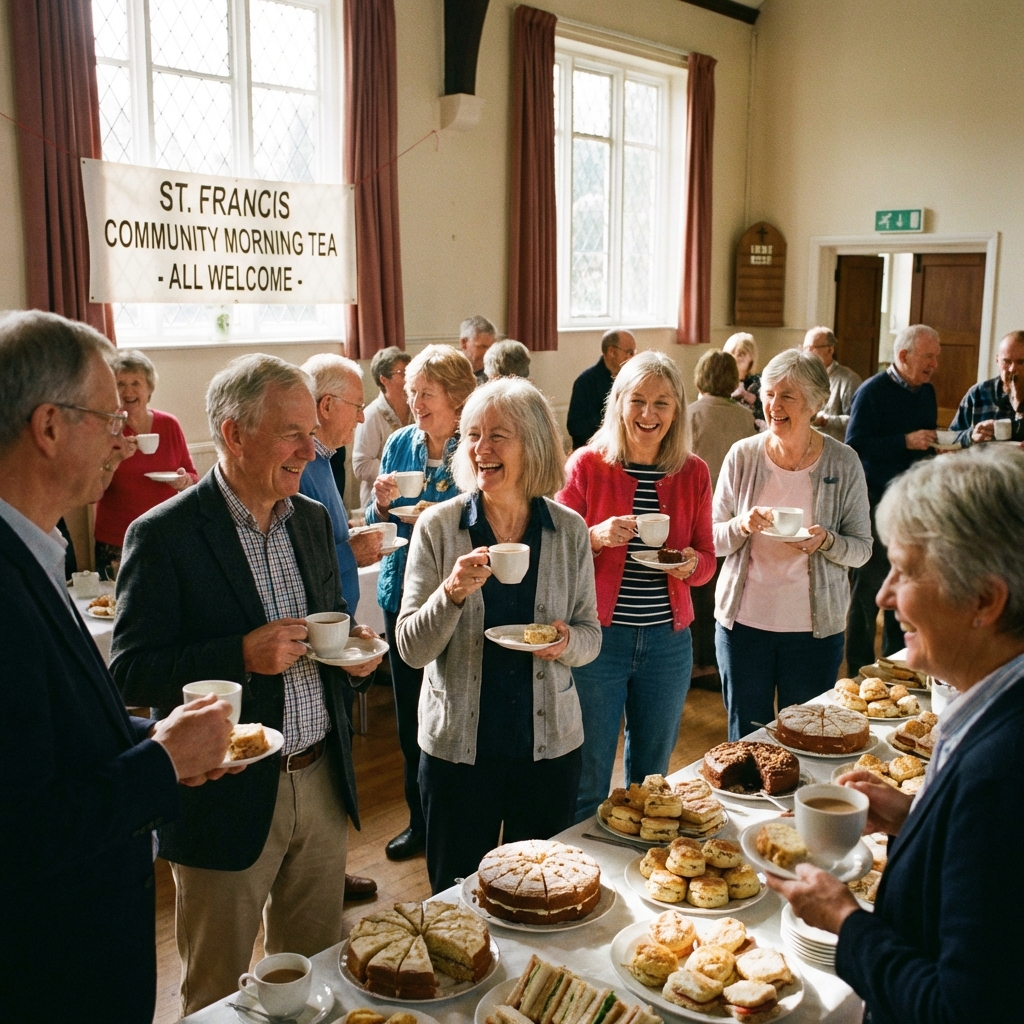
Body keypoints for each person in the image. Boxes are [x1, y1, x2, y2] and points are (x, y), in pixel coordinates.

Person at [110, 354, 383, 1015]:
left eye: (311, 433)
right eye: (292, 433)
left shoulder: (311, 519)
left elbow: (329, 623)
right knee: (215, 991)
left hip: (320, 780)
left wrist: (353, 654)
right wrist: (239, 655)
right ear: (233, 435)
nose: (310, 450)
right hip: (224, 796)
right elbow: (130, 672)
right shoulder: (164, 535)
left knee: (313, 973)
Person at [0, 310, 234, 1023]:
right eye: (108, 419)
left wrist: (154, 733)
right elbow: (21, 829)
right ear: (48, 426)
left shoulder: (36, 550)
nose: (125, 439)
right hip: (49, 972)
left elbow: (53, 732)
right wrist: (162, 762)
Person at [767, 445, 1024, 1024]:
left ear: (985, 600)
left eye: (905, 572)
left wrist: (844, 921)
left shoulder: (1003, 771)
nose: (883, 595)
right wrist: (916, 818)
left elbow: (959, 1010)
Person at [396, 379, 601, 892]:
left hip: (548, 754)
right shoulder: (438, 528)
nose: (480, 448)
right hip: (458, 756)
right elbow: (411, 649)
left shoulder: (569, 530)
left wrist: (565, 644)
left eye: (497, 436)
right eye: (472, 435)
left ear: (532, 444)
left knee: (540, 895)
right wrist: (450, 593)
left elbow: (590, 636)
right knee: (456, 899)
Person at [557, 351, 716, 822]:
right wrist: (594, 536)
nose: (649, 414)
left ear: (677, 409)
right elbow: (556, 548)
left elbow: (707, 560)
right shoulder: (587, 465)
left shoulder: (693, 472)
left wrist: (691, 565)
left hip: (668, 643)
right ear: (619, 404)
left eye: (662, 403)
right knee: (587, 778)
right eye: (638, 401)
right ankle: (583, 863)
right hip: (599, 641)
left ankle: (640, 862)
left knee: (652, 781)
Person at [713, 349, 872, 740]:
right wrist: (741, 525)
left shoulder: (843, 462)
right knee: (746, 739)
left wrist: (827, 541)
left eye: (787, 396)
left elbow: (862, 548)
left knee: (807, 740)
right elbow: (711, 539)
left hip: (814, 634)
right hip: (743, 627)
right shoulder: (743, 456)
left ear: (815, 404)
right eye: (769, 394)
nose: (774, 405)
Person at [367, 344, 477, 861]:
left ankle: (459, 823)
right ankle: (421, 822)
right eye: (411, 392)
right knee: (411, 718)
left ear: (457, 397)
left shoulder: (474, 445)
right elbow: (381, 523)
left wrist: (439, 514)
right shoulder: (399, 443)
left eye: (426, 393)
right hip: (403, 595)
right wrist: (380, 502)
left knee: (454, 713)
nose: (414, 403)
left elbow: (486, 517)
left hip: (458, 597)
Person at [299, 353, 383, 902]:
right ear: (327, 405)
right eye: (356, 405)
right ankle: (319, 874)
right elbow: (302, 557)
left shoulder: (323, 461)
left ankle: (327, 870)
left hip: (336, 624)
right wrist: (351, 550)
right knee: (327, 760)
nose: (360, 417)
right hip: (318, 635)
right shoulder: (305, 464)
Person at [845, 324, 940, 671]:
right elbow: (855, 445)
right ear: (903, 356)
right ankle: (858, 669)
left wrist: (935, 450)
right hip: (876, 502)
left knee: (904, 585)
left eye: (936, 357)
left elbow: (921, 445)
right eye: (928, 356)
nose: (934, 365)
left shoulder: (926, 392)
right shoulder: (871, 392)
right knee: (870, 590)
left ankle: (896, 667)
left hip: (913, 505)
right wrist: (904, 441)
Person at [92, 349, 198, 578]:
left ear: (149, 389)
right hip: (117, 540)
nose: (128, 391)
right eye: (120, 384)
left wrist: (184, 481)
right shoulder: (106, 429)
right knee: (116, 599)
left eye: (135, 383)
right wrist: (116, 459)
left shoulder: (169, 424)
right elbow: (93, 490)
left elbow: (192, 476)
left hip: (166, 534)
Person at [687, 349, 757, 679]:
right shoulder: (744, 417)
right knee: (721, 587)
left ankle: (695, 662)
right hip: (732, 511)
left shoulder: (690, 414)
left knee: (695, 587)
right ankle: (716, 662)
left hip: (695, 508)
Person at [352, 346, 413, 505]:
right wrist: (401, 473)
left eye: (410, 371)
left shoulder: (416, 409)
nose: (410, 378)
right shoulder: (371, 415)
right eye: (402, 373)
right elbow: (361, 465)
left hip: (411, 497)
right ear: (384, 379)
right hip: (379, 500)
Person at [949, 329, 1024, 445]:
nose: (1012, 369)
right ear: (997, 360)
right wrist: (971, 435)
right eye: (1006, 361)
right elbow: (951, 437)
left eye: (1021, 362)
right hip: (982, 456)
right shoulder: (978, 393)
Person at [566, 329, 636, 450]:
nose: (633, 358)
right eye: (629, 353)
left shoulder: (632, 379)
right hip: (595, 450)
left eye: (634, 353)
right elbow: (575, 426)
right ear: (612, 352)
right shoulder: (585, 382)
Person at [802, 326, 863, 442]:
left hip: (834, 447)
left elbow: (858, 421)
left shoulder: (849, 379)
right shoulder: (803, 377)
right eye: (805, 348)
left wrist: (825, 421)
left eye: (812, 348)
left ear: (830, 350)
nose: (807, 353)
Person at [723, 332, 764, 427]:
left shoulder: (760, 382)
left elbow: (766, 413)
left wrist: (747, 396)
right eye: (731, 353)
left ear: (751, 357)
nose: (735, 358)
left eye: (741, 354)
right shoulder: (720, 381)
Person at [459, 315, 497, 383]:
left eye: (491, 348)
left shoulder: (495, 376)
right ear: (464, 343)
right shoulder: (449, 372)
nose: (488, 353)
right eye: (482, 347)